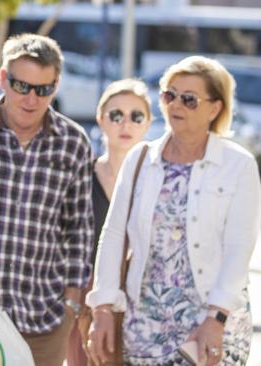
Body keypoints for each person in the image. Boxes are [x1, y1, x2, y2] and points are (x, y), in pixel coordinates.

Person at [86, 56, 260, 365]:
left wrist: (215, 318)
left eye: (189, 99)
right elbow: (112, 235)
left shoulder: (239, 165)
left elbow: (239, 249)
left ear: (215, 108)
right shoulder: (140, 158)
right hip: (145, 327)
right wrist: (101, 306)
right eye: (169, 94)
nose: (176, 105)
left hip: (213, 325)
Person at [0, 33, 94, 366]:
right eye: (21, 86)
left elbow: (79, 231)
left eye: (43, 89)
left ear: (56, 85)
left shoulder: (73, 143)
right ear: (2, 78)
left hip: (43, 318)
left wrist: (71, 305)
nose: (31, 98)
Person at [66, 78, 153, 366]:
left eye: (136, 116)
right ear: (101, 120)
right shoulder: (82, 176)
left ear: (148, 123)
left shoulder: (157, 181)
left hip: (141, 296)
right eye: (116, 115)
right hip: (85, 294)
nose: (125, 124)